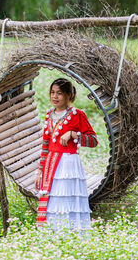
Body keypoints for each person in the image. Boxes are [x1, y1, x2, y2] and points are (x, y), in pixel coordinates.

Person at [35, 78, 98, 235]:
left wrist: (73, 134)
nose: (55, 97)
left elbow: (93, 140)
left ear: (69, 95)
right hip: (51, 166)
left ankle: (71, 237)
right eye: (52, 93)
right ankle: (53, 238)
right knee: (53, 203)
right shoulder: (49, 114)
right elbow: (45, 145)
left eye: (59, 94)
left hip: (68, 166)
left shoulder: (77, 115)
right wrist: (40, 172)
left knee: (67, 201)